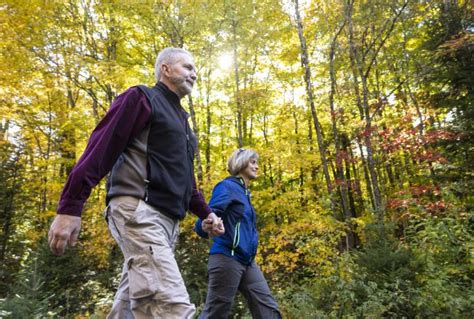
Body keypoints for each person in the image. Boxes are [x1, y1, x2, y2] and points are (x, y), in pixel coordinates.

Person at [48, 47, 224, 318]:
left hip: (167, 224)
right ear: (165, 69)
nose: (194, 74)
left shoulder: (184, 126)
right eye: (187, 67)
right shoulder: (141, 98)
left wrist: (207, 213)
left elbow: (187, 183)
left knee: (130, 307)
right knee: (170, 306)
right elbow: (100, 148)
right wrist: (70, 206)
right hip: (138, 211)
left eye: (194, 68)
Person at [195, 149, 281, 319]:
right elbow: (209, 213)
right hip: (227, 257)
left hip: (247, 261)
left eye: (257, 163)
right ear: (240, 163)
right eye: (252, 162)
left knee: (268, 310)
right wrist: (204, 225)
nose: (257, 167)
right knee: (215, 313)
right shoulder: (228, 186)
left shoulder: (244, 193)